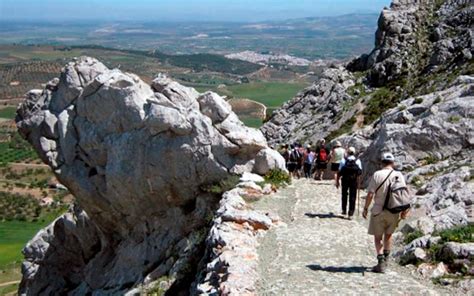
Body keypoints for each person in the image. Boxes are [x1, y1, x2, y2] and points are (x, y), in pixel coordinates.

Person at [362, 152, 409, 273]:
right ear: (393, 163)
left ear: (382, 162)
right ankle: (386, 261)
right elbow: (404, 193)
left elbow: (370, 194)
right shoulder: (399, 175)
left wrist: (366, 208)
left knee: (378, 238)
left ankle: (380, 262)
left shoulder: (377, 174)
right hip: (394, 210)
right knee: (388, 236)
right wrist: (404, 211)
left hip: (378, 210)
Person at [336, 147, 362, 220]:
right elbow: (360, 172)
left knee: (344, 195)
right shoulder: (357, 161)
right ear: (354, 152)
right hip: (354, 181)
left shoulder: (343, 160)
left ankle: (344, 211)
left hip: (345, 180)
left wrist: (337, 181)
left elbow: (339, 172)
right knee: (352, 196)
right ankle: (351, 213)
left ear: (347, 152)